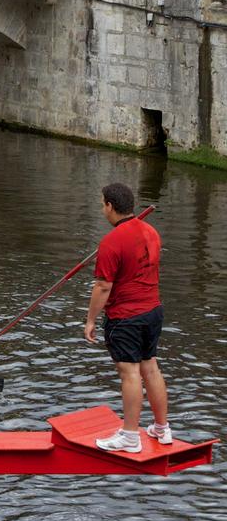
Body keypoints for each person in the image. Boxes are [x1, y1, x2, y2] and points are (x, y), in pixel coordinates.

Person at [85, 183, 170, 452]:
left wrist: (90, 320)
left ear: (110, 206)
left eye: (103, 204)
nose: (102, 209)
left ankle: (130, 436)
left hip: (126, 317)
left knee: (130, 373)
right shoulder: (151, 232)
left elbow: (103, 286)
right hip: (153, 311)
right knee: (150, 367)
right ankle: (162, 428)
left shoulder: (111, 241)